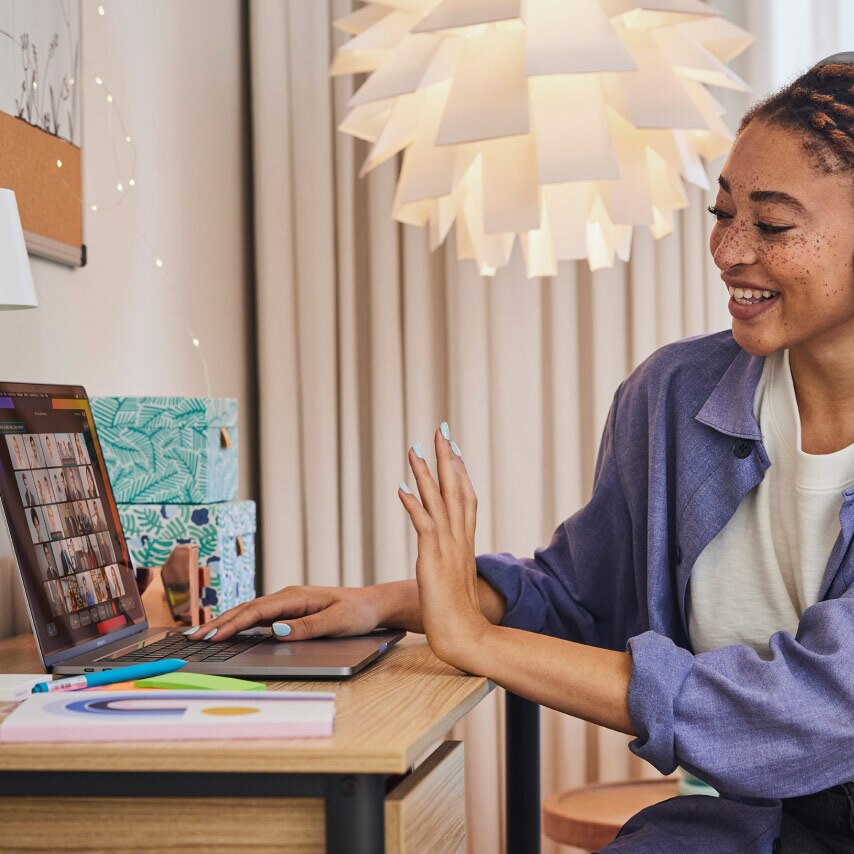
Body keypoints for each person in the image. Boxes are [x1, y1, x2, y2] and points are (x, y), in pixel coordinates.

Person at [184, 57, 854, 850]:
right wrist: (388, 603)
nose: (729, 251)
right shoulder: (675, 396)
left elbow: (805, 708)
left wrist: (475, 640)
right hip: (745, 828)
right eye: (720, 213)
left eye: (772, 226)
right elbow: (580, 597)